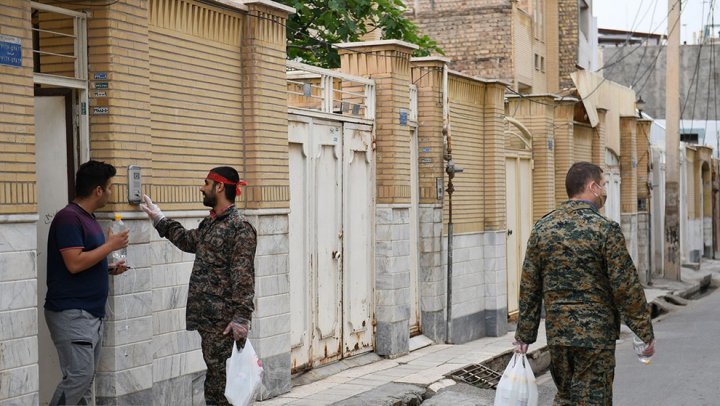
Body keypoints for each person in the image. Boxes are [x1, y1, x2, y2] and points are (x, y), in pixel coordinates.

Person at [514, 161, 655, 405]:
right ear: (592, 187)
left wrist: (524, 335)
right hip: (595, 338)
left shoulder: (542, 229)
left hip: (558, 337)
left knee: (566, 397)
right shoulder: (605, 229)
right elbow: (625, 285)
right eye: (602, 185)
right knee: (593, 400)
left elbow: (530, 286)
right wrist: (644, 331)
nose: (604, 192)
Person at [139, 166, 256, 406]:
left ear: (220, 187)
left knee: (225, 388)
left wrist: (241, 317)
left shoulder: (239, 227)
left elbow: (243, 276)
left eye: (206, 183)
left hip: (225, 324)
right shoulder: (210, 224)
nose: (202, 188)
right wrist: (159, 219)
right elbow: (186, 240)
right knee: (215, 382)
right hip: (208, 320)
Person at [44, 160, 130, 406]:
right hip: (72, 311)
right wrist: (110, 246)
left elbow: (85, 260)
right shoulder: (68, 218)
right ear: (98, 190)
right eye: (110, 187)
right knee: (79, 377)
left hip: (90, 312)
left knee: (85, 379)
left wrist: (108, 267)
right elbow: (74, 263)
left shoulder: (87, 218)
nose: (112, 193)